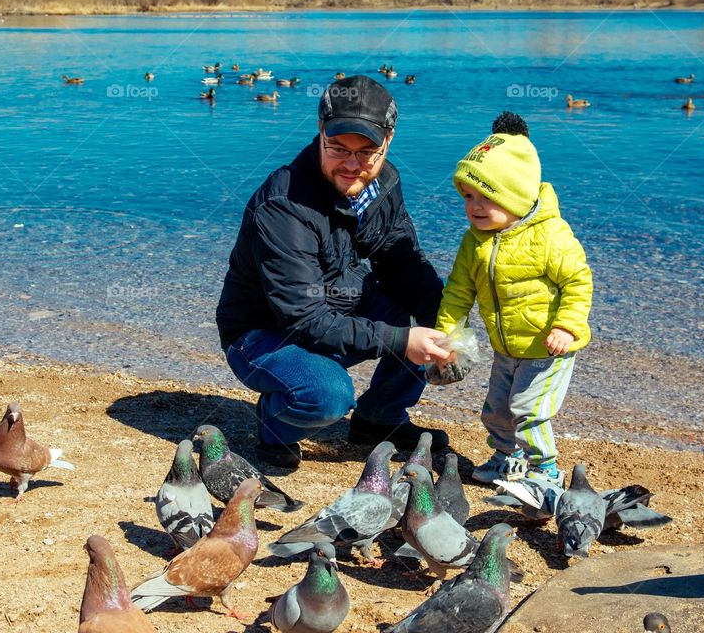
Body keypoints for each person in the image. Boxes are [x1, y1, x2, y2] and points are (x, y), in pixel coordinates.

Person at [216, 75, 450, 468]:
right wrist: (399, 340)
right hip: (263, 331)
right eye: (338, 148)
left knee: (426, 308)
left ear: (388, 141)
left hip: (334, 302)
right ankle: (276, 423)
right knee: (328, 395)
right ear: (320, 131)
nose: (352, 164)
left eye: (367, 151)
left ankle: (380, 417)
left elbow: (404, 261)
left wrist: (445, 322)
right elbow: (302, 315)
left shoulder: (383, 182)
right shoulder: (284, 206)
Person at [434, 111, 593, 487]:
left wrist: (567, 326)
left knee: (529, 410)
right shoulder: (474, 241)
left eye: (486, 197)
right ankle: (507, 458)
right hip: (506, 347)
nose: (473, 206)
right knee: (497, 410)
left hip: (547, 346)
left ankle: (545, 472)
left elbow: (578, 281)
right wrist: (448, 335)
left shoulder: (550, 235)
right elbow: (459, 290)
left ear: (516, 195)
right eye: (468, 195)